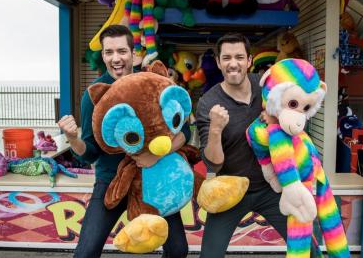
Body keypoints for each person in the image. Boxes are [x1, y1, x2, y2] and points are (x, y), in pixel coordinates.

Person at [58, 24, 191, 258]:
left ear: (133, 53)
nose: (115, 58)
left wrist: (156, 155)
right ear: (103, 56)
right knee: (86, 252)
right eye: (109, 52)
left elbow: (184, 132)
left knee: (178, 250)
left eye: (121, 51)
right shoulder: (94, 95)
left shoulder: (152, 82)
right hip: (111, 182)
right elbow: (89, 152)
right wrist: (72, 138)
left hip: (154, 182)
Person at [195, 33, 288, 258]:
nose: (233, 64)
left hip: (272, 188)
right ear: (218, 62)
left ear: (249, 60)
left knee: (307, 247)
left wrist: (278, 118)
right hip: (231, 190)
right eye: (226, 58)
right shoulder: (208, 102)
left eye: (239, 57)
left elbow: (297, 116)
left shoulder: (267, 87)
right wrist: (216, 129)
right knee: (209, 255)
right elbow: (213, 164)